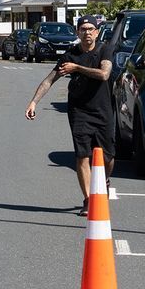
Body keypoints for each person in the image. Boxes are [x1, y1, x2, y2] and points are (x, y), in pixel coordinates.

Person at [25, 16, 116, 207]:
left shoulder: (104, 50)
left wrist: (77, 68)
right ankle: (89, 200)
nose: (87, 32)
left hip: (103, 110)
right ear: (77, 32)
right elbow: (49, 80)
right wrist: (33, 102)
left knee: (108, 157)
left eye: (91, 29)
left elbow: (104, 75)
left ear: (97, 32)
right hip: (79, 111)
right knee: (82, 155)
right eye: (83, 29)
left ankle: (104, 181)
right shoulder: (70, 56)